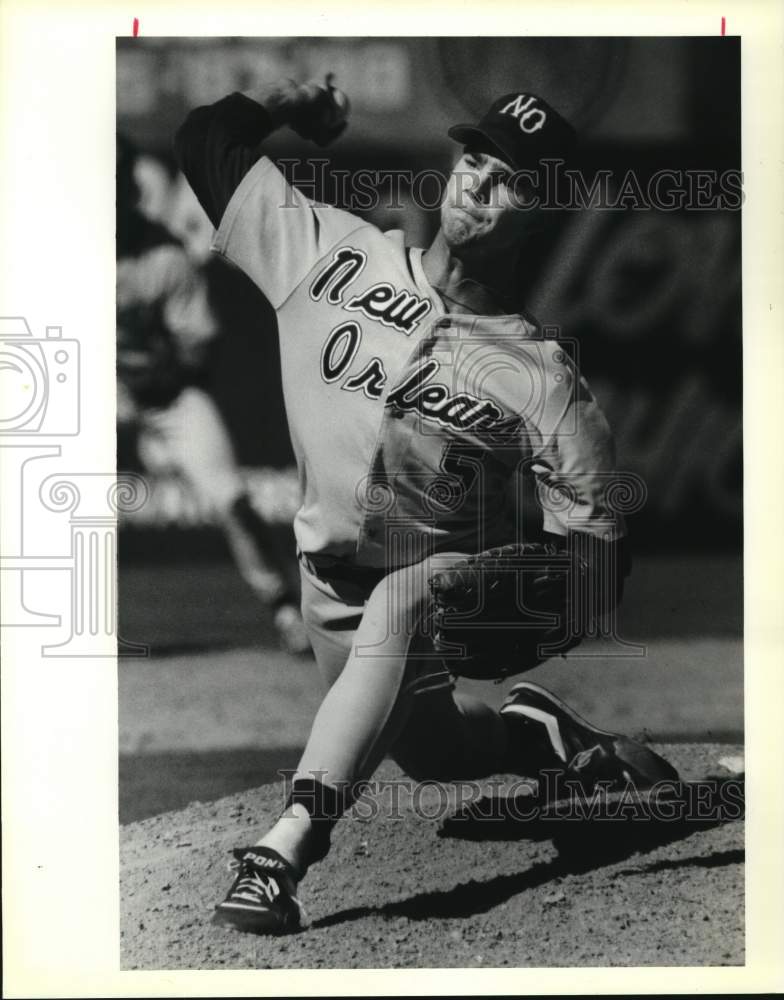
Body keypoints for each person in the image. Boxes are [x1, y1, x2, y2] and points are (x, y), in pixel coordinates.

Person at [174, 80, 678, 935]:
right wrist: (293, 101)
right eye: (476, 153)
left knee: (405, 602)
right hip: (327, 587)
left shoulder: (542, 378)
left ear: (544, 211)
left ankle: (281, 852)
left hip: (437, 592)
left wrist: (523, 612)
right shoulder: (329, 252)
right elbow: (204, 143)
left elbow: (594, 561)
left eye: (513, 176)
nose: (481, 178)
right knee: (438, 757)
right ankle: (532, 732)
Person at [117, 133, 309, 654]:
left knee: (232, 499)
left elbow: (196, 345)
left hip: (169, 396)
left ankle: (284, 608)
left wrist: (151, 384)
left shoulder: (165, 255)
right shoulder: (48, 250)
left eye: (114, 183)